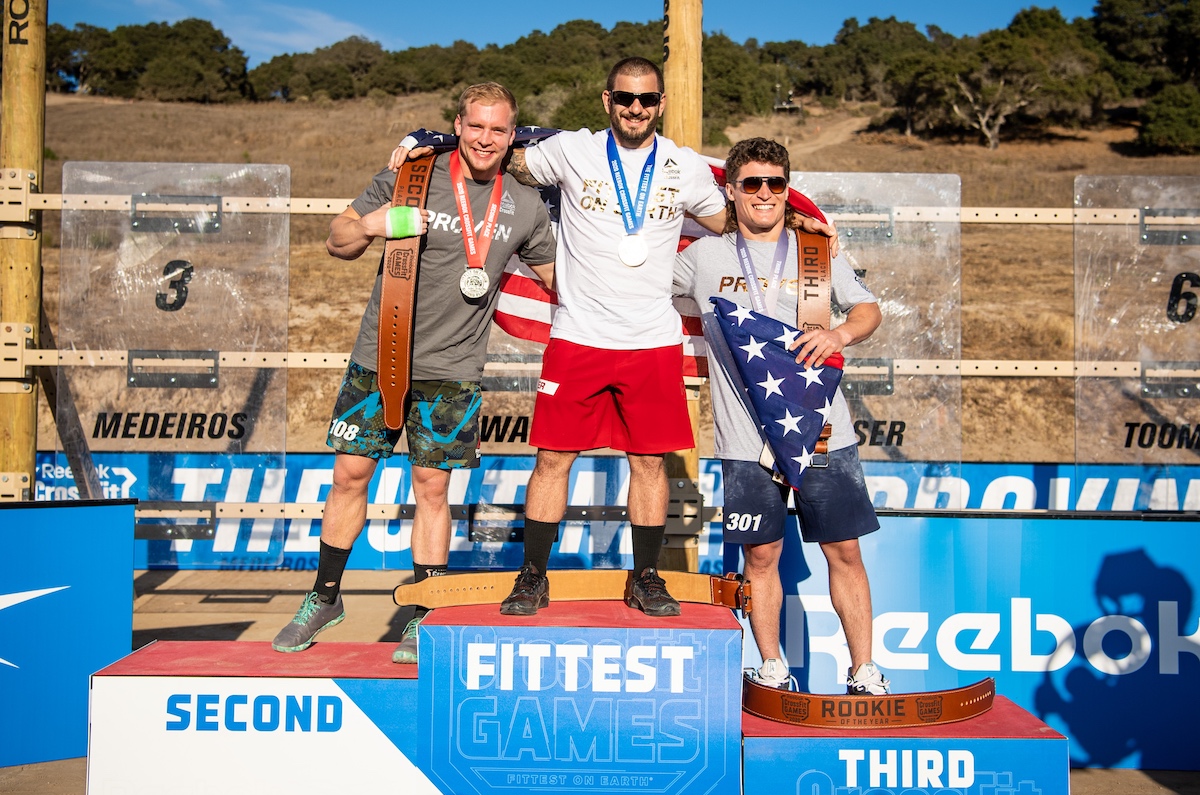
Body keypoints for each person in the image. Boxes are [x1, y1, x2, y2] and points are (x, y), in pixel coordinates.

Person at [390, 58, 836, 618]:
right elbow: (497, 150)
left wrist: (799, 223)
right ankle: (533, 575)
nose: (635, 108)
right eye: (625, 98)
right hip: (578, 336)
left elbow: (736, 218)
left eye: (646, 99)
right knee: (553, 460)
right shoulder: (573, 150)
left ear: (660, 103)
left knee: (650, 464)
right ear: (607, 101)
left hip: (651, 341)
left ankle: (645, 577)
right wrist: (427, 141)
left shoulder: (684, 166)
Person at [271, 82, 556, 662]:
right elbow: (338, 240)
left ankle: (425, 611)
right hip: (381, 358)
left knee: (432, 488)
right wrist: (376, 224)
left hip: (452, 370)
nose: (484, 138)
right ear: (458, 125)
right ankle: (325, 597)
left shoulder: (525, 204)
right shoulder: (411, 176)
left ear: (512, 135)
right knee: (349, 476)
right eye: (475, 126)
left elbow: (558, 279)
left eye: (498, 129)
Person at [672, 137, 889, 694]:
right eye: (751, 183)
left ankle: (864, 670)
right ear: (731, 189)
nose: (764, 194)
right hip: (746, 439)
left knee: (844, 550)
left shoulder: (815, 250)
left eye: (775, 184)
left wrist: (839, 332)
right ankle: (772, 668)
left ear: (787, 190)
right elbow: (633, 288)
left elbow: (868, 309)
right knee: (761, 555)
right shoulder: (701, 258)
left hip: (821, 430)